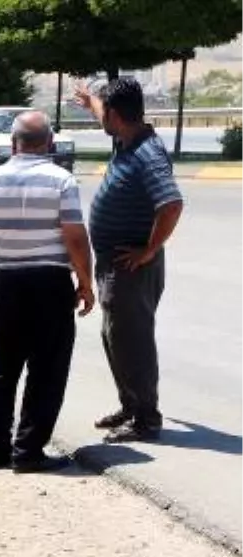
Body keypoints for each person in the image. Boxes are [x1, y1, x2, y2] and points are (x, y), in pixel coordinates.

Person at [0, 111, 97, 473]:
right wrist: (85, 282)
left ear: (13, 143)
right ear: (49, 144)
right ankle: (28, 452)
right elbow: (74, 235)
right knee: (47, 369)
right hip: (49, 282)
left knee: (0, 368)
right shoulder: (61, 180)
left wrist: (9, 227)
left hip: (6, 281)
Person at [74, 77, 184, 443]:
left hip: (132, 267)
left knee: (132, 341)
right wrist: (91, 99)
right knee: (115, 337)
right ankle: (131, 404)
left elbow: (171, 204)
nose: (99, 117)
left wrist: (149, 250)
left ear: (117, 116)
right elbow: (105, 112)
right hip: (115, 263)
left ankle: (146, 419)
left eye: (103, 112)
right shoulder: (126, 138)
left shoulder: (147, 154)